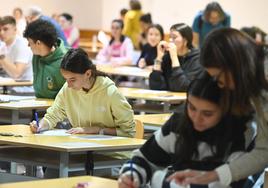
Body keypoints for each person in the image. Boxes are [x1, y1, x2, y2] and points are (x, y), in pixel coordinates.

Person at [167, 28, 268, 187]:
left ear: (235, 66)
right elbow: (264, 151)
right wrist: (212, 176)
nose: (220, 84)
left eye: (218, 77)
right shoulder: (254, 89)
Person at [118, 73, 256, 188]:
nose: (196, 118)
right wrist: (131, 174)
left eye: (207, 114)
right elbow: (145, 159)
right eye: (192, 108)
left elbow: (228, 183)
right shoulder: (178, 125)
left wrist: (160, 181)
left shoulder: (240, 134)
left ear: (225, 111)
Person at [30, 48, 135, 138]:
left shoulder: (110, 92)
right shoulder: (68, 89)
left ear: (88, 73)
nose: (69, 85)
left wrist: (97, 130)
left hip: (113, 153)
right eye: (66, 79)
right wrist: (41, 125)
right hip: (81, 149)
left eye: (72, 80)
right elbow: (52, 115)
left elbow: (128, 132)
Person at [149, 23, 203, 92]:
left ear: (185, 40)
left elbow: (182, 87)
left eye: (174, 37)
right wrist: (159, 58)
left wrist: (174, 58)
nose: (171, 40)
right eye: (170, 37)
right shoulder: (167, 57)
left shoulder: (197, 58)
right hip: (167, 100)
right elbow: (154, 86)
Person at [23, 19, 67, 99]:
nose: (28, 46)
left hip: (59, 108)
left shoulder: (66, 61)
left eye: (30, 42)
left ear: (38, 43)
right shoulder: (36, 56)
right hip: (38, 105)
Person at [0, 16, 33, 93]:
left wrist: (1, 57)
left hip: (24, 87)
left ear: (15, 30)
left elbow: (16, 73)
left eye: (5, 29)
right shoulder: (3, 45)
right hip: (8, 86)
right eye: (0, 30)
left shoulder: (23, 44)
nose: (1, 33)